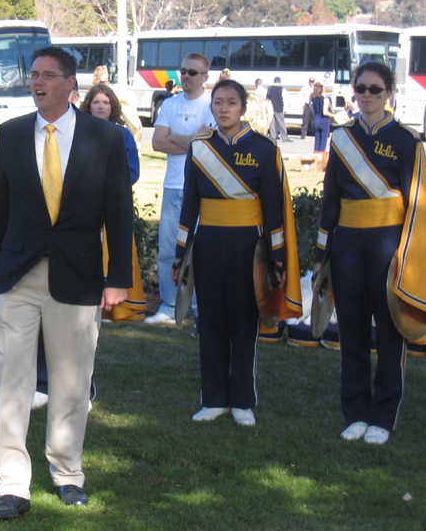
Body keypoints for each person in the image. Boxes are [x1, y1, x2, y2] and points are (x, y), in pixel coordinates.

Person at [0, 46, 133, 522]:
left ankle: (67, 472)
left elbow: (120, 215)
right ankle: (12, 485)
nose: (37, 82)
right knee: (10, 378)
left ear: (69, 84)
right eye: (33, 75)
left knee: (71, 378)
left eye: (47, 75)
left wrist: (118, 278)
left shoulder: (105, 137)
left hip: (78, 274)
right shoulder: (13, 133)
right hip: (17, 273)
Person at [173, 79, 301, 427]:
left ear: (243, 108)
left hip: (249, 247)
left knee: (245, 322)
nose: (224, 108)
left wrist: (277, 258)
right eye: (218, 103)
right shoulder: (199, 148)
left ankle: (243, 400)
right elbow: (190, 205)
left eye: (231, 102)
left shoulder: (263, 148)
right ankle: (213, 399)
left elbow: (273, 209)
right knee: (211, 322)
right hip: (209, 243)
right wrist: (181, 253)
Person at [313, 61, 426, 446]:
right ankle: (356, 411)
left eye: (375, 90)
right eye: (360, 88)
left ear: (388, 94)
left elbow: (417, 205)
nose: (366, 95)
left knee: (391, 332)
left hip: (387, 247)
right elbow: (331, 201)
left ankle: (383, 415)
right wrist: (321, 255)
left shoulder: (407, 141)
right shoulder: (341, 137)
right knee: (353, 331)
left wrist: (407, 256)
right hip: (347, 246)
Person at [33, 84, 144, 408]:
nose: (99, 106)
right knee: (43, 312)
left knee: (81, 321)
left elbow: (128, 175)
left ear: (112, 106)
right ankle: (43, 384)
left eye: (104, 102)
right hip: (52, 236)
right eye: (94, 101)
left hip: (91, 232)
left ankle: (83, 387)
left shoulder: (117, 137)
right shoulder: (68, 132)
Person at [145, 53, 215, 325]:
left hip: (202, 188)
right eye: (183, 71)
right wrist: (190, 140)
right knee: (168, 248)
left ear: (205, 77)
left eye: (193, 73)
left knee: (200, 248)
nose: (186, 76)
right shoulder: (169, 104)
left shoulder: (212, 103)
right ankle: (170, 305)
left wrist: (173, 136)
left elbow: (206, 144)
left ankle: (199, 305)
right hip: (173, 185)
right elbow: (157, 143)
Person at [266, 77, 291, 142]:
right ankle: (285, 138)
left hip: (270, 108)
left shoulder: (269, 88)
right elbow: (285, 99)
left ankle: (273, 137)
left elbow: (267, 99)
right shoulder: (282, 89)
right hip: (279, 108)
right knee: (281, 123)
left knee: (272, 124)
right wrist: (286, 109)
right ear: (280, 82)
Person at [312, 82, 335, 152]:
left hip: (316, 119)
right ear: (321, 89)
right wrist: (334, 115)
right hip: (323, 120)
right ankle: (321, 159)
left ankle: (315, 157)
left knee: (317, 142)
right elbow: (325, 112)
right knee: (323, 142)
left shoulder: (313, 98)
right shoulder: (325, 99)